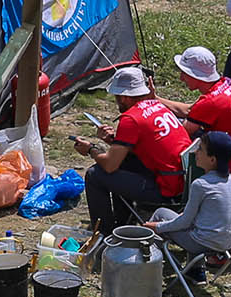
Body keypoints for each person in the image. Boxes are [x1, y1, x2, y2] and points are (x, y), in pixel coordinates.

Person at [75, 66, 191, 235]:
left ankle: (104, 235)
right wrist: (114, 142)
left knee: (95, 175)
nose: (116, 101)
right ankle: (122, 222)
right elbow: (149, 145)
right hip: (181, 181)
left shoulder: (131, 119)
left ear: (124, 97)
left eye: (117, 97)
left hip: (166, 189)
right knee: (124, 162)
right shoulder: (158, 106)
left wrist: (91, 149)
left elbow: (109, 165)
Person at [146, 131, 231, 280]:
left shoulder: (201, 184)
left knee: (161, 213)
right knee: (196, 225)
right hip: (227, 242)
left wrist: (156, 227)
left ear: (212, 159)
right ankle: (196, 271)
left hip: (202, 243)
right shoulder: (229, 180)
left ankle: (146, 263)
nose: (196, 152)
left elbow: (184, 222)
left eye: (200, 149)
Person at [159, 45, 231, 172]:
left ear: (195, 75)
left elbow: (182, 132)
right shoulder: (228, 82)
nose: (181, 78)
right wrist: (155, 99)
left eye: (184, 73)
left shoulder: (209, 102)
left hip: (230, 162)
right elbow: (191, 111)